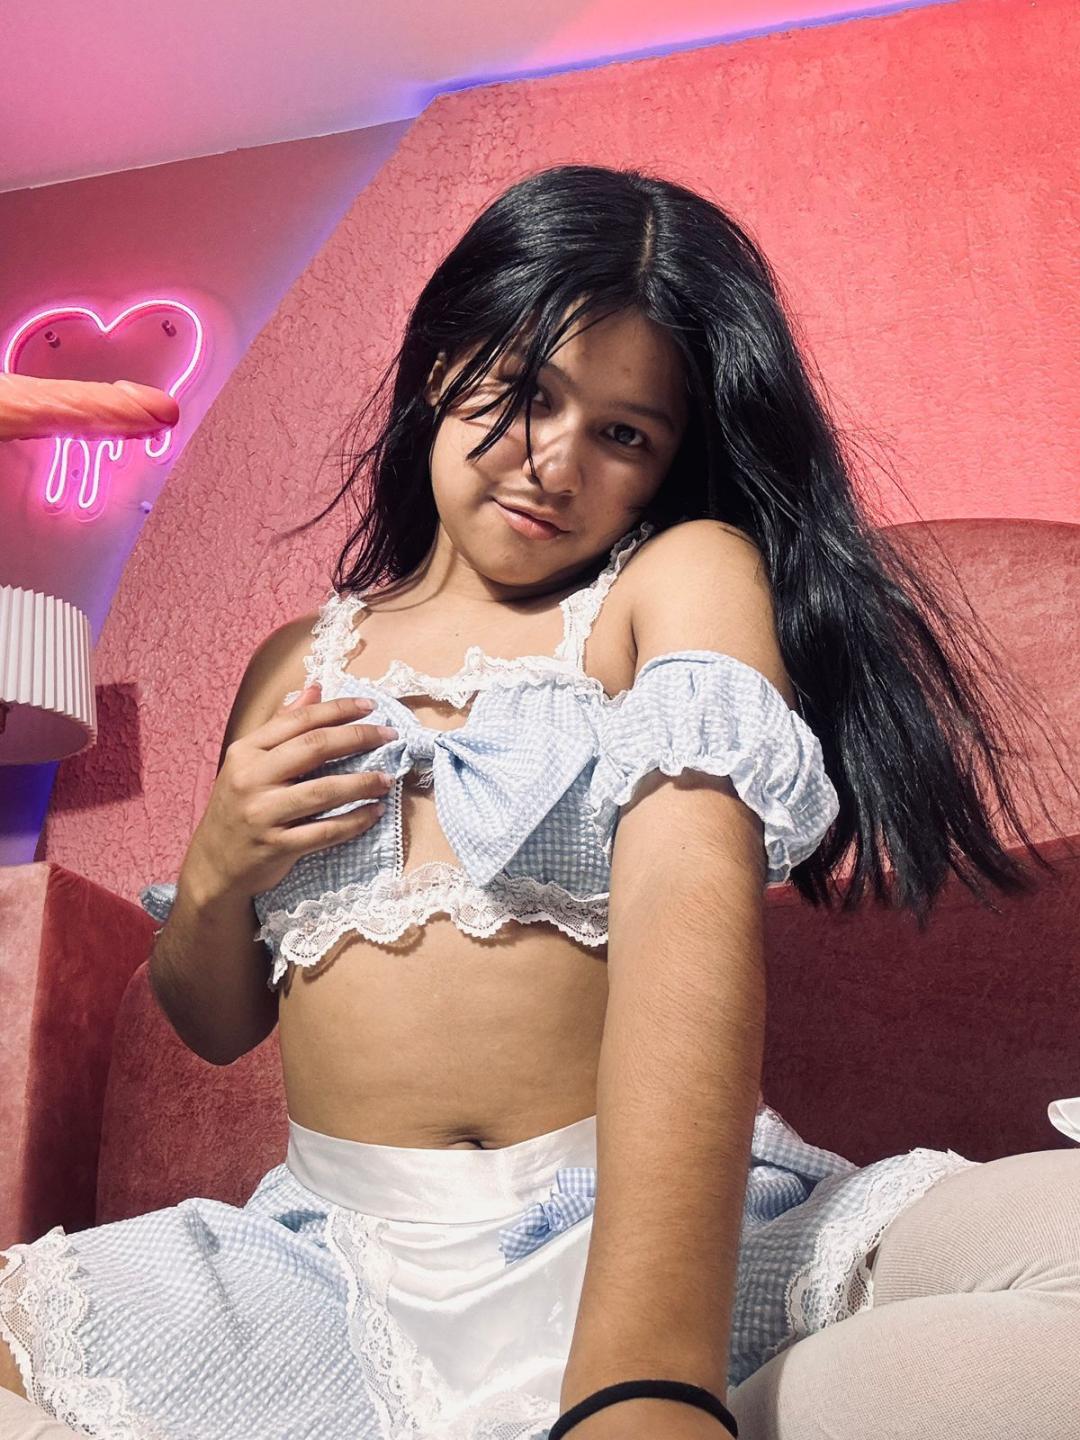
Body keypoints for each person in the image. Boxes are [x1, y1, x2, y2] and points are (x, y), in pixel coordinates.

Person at [1, 163, 1076, 1440]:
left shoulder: (672, 587)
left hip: (655, 1229)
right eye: (525, 391)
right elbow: (216, 1020)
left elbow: (688, 903)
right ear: (440, 363)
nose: (555, 463)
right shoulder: (297, 663)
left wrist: (647, 1382)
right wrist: (221, 868)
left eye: (625, 435)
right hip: (332, 1265)